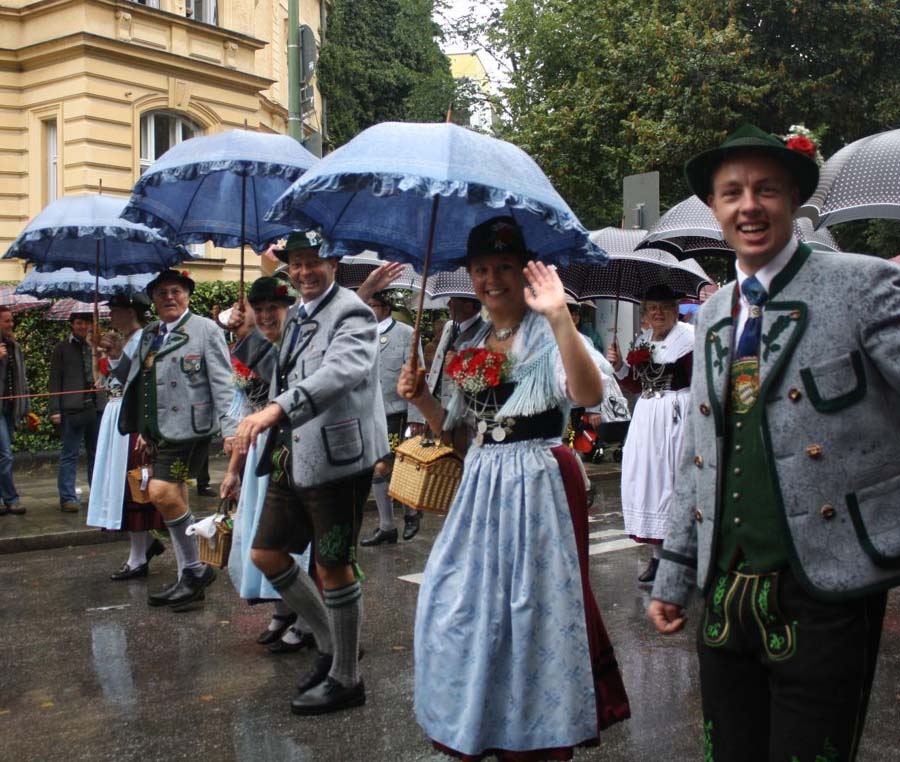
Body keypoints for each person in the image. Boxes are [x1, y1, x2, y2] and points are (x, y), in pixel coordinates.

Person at [649, 123, 900, 762]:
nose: (749, 205)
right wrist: (674, 575)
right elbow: (695, 460)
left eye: (766, 189)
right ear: (714, 208)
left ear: (793, 198)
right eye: (732, 193)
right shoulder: (709, 314)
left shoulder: (863, 285)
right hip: (724, 591)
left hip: (827, 585)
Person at [399, 216, 630, 760]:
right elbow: (455, 433)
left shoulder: (550, 331)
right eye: (481, 269)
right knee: (461, 602)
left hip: (538, 477)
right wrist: (421, 400)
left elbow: (588, 393)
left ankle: (535, 731)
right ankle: (480, 717)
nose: (491, 278)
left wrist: (560, 320)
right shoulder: (471, 336)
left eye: (503, 267)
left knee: (531, 606)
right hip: (481, 479)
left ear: (523, 273)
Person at [232, 231, 388, 716]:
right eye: (295, 263)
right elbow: (279, 366)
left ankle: (347, 676)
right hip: (290, 453)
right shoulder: (297, 314)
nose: (302, 272)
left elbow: (340, 371)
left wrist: (276, 410)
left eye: (312, 262)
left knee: (332, 563)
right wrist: (240, 330)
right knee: (266, 552)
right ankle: (330, 645)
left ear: (334, 262)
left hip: (339, 458)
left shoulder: (353, 313)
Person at [115, 269, 237, 610]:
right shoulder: (151, 332)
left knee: (160, 491)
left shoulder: (205, 329)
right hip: (157, 430)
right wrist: (113, 354)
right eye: (161, 293)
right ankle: (188, 574)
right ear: (152, 300)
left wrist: (231, 430)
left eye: (176, 291)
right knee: (175, 496)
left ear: (187, 296)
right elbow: (134, 380)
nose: (169, 297)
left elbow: (223, 383)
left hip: (188, 427)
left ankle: (196, 569)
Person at [220, 276, 315, 653]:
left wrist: (245, 335)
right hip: (263, 452)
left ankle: (308, 618)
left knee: (297, 539)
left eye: (272, 309)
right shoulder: (255, 351)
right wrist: (231, 470)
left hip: (300, 450)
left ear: (288, 309)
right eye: (258, 310)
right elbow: (245, 416)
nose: (264, 316)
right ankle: (282, 609)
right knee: (265, 534)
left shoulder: (300, 346)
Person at [606, 285, 693, 584]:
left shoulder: (688, 340)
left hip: (677, 414)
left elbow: (700, 381)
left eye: (664, 307)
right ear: (644, 312)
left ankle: (684, 558)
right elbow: (635, 384)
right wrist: (618, 367)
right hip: (646, 416)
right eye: (652, 307)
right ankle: (658, 558)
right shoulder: (643, 340)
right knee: (648, 480)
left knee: (674, 481)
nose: (658, 312)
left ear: (675, 309)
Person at [87, 293, 166, 579]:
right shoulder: (125, 339)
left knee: (134, 487)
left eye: (116, 310)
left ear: (131, 312)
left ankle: (138, 558)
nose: (110, 316)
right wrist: (98, 355)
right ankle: (145, 546)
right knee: (122, 484)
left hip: (131, 416)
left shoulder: (146, 338)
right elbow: (104, 381)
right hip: (114, 413)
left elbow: (141, 380)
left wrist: (118, 354)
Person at [359, 290, 424, 546]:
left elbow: (417, 376)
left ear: (385, 307)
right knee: (377, 468)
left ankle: (407, 512)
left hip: (394, 411)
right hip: (366, 411)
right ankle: (391, 523)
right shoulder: (361, 333)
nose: (368, 309)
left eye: (372, 305)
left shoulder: (406, 333)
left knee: (386, 466)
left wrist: (417, 415)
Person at [49, 312, 104, 513]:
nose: (82, 327)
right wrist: (55, 409)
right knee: (69, 454)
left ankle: (97, 494)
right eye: (79, 323)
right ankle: (68, 497)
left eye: (86, 323)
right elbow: (54, 379)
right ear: (72, 325)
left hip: (97, 406)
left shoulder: (97, 347)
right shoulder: (62, 348)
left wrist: (96, 348)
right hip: (72, 408)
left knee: (96, 453)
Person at [0, 306, 28, 516]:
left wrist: (25, 406)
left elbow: (21, 379)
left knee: (5, 455)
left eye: (11, 320)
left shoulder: (15, 347)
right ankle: (11, 498)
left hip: (10, 408)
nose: (11, 324)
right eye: (6, 321)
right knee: (6, 455)